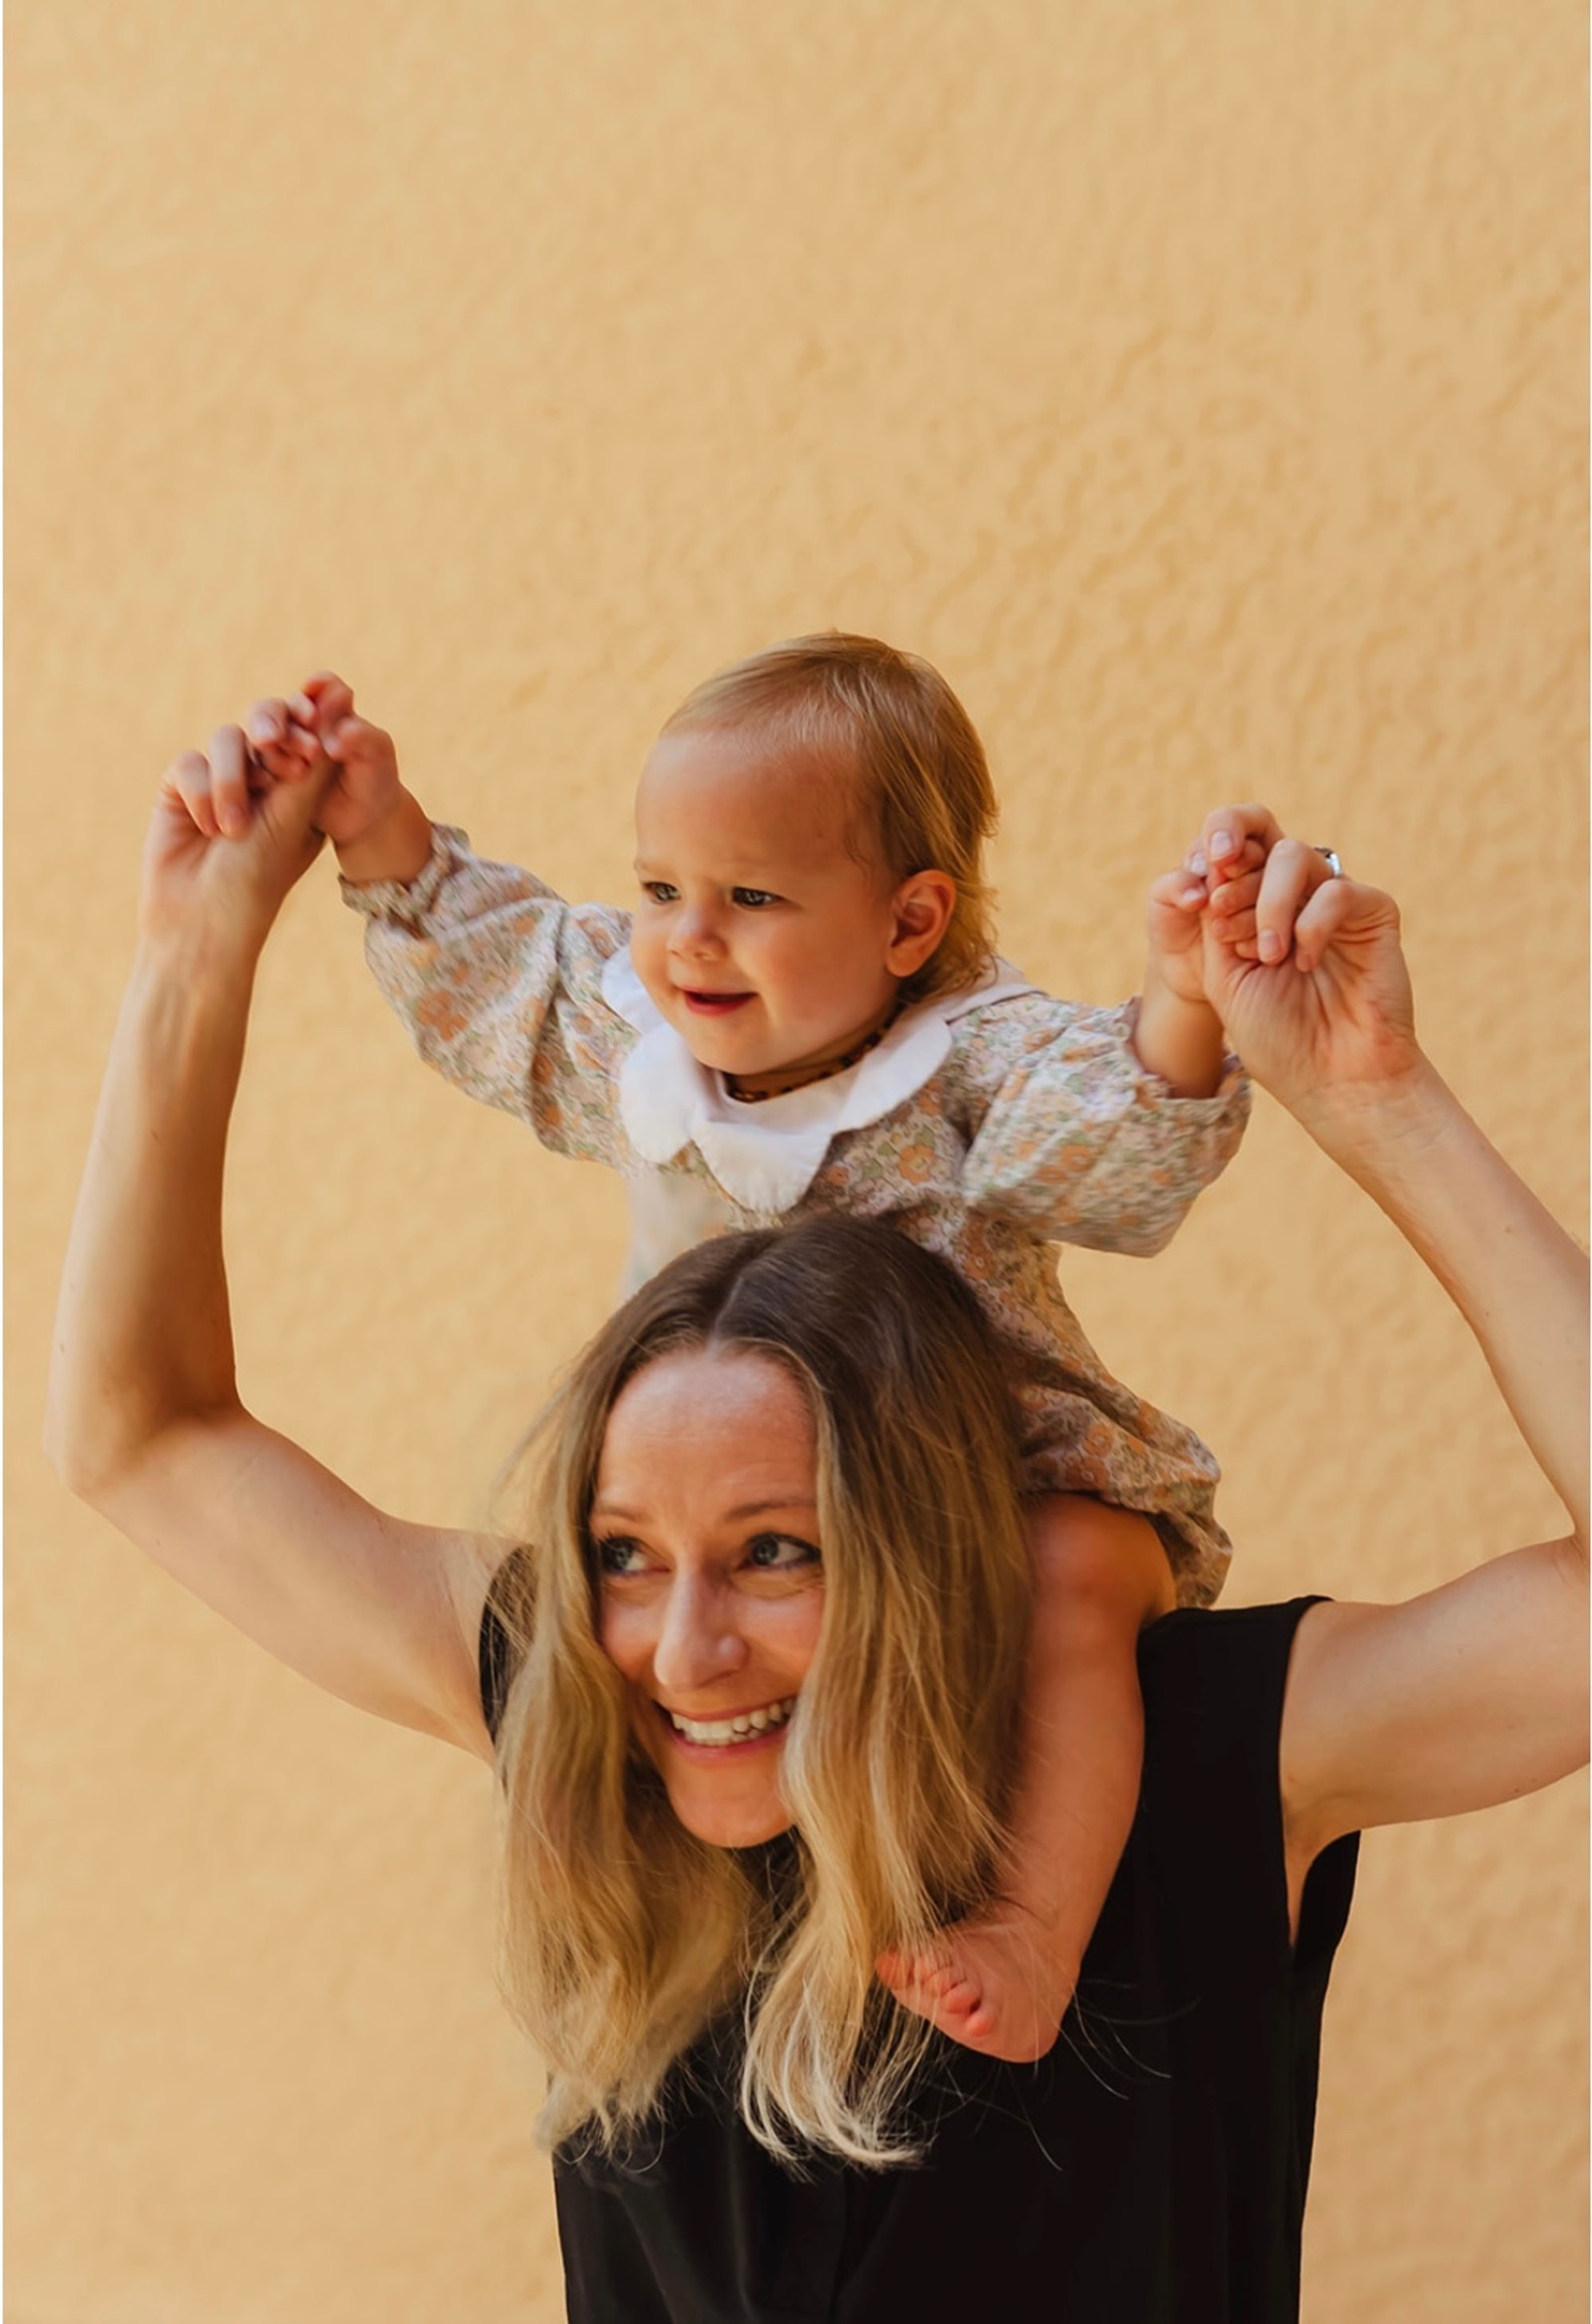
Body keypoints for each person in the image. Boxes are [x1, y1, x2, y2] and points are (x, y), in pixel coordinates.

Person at [48, 727, 1587, 2321]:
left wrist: (1378, 1103)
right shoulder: (588, 1697)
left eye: (780, 1551)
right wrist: (193, 942)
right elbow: (139, 1434)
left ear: (929, 1545)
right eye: (624, 1554)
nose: (684, 1649)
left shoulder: (1200, 1752)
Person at [199, 636, 1283, 2058]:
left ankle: (1030, 1930)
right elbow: (506, 977)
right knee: (612, 1612)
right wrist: (376, 828)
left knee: (1074, 1586)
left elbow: (1115, 1142)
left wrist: (1188, 999)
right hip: (746, 1508)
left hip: (1003, 1482)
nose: (686, 936)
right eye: (661, 888)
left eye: (749, 897)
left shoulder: (967, 1065)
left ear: (909, 923)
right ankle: (629, 1882)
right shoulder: (646, 1041)